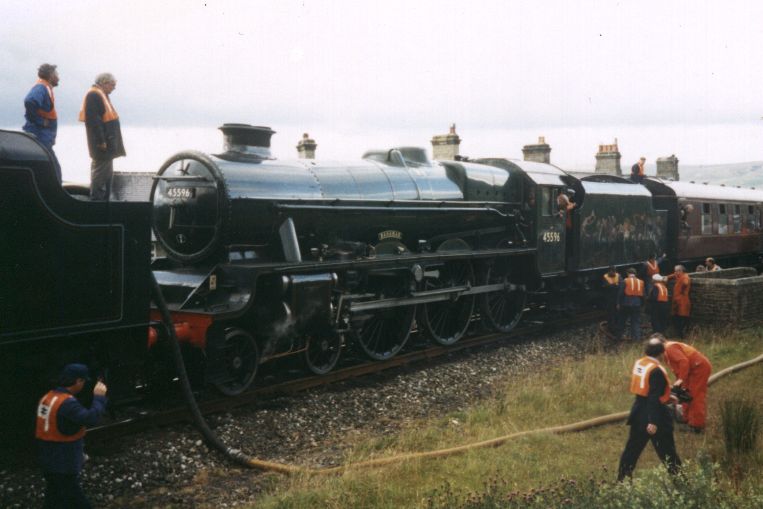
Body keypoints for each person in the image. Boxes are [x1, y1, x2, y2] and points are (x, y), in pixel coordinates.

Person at [36, 364, 108, 508]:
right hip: (63, 460)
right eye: (83, 382)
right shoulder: (67, 403)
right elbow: (91, 418)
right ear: (78, 381)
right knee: (76, 498)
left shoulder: (47, 397)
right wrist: (99, 398)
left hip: (48, 458)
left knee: (53, 496)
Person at [617, 338, 682, 480]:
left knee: (631, 450)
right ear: (661, 353)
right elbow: (653, 397)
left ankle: (621, 481)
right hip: (655, 415)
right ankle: (681, 483)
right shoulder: (656, 370)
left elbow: (646, 389)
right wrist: (653, 421)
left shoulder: (640, 363)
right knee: (667, 452)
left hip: (638, 411)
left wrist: (668, 396)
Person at [79, 72, 125, 200]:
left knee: (105, 174)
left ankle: (102, 201)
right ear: (104, 82)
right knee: (100, 174)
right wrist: (101, 141)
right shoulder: (94, 95)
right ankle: (96, 204)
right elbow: (94, 120)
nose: (114, 88)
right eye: (112, 85)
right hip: (102, 145)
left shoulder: (101, 94)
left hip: (107, 144)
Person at [653, 334, 712, 432]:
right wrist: (679, 382)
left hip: (699, 368)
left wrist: (681, 379)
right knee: (685, 394)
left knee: (695, 395)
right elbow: (679, 367)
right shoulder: (667, 351)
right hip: (692, 369)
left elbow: (683, 362)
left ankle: (696, 425)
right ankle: (686, 418)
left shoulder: (669, 348)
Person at [23, 63, 62, 182]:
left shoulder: (46, 88)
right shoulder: (41, 88)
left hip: (44, 136)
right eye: (57, 75)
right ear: (51, 76)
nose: (59, 78)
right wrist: (39, 121)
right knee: (53, 169)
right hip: (39, 135)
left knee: (51, 167)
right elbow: (30, 101)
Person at [618, 268, 644, 341]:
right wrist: (642, 304)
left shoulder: (625, 281)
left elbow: (621, 293)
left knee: (622, 321)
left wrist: (618, 303)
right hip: (637, 304)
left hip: (626, 304)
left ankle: (619, 337)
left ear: (628, 273)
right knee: (635, 322)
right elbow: (643, 295)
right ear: (635, 274)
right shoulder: (641, 282)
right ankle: (636, 339)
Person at [668, 265, 691, 338]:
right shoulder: (677, 275)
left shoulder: (685, 276)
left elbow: (685, 283)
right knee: (676, 317)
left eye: (676, 271)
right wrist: (665, 278)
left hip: (682, 301)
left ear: (680, 271)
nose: (675, 272)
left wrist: (682, 289)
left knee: (682, 317)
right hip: (677, 301)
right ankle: (679, 334)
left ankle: (682, 335)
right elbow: (670, 276)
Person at [602, 266, 621, 336]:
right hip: (610, 298)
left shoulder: (618, 276)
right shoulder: (605, 277)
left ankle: (617, 328)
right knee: (611, 313)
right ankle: (612, 328)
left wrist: (613, 286)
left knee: (617, 313)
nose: (613, 273)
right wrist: (615, 285)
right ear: (609, 271)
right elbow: (605, 286)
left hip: (617, 297)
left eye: (614, 271)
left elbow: (621, 285)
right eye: (612, 271)